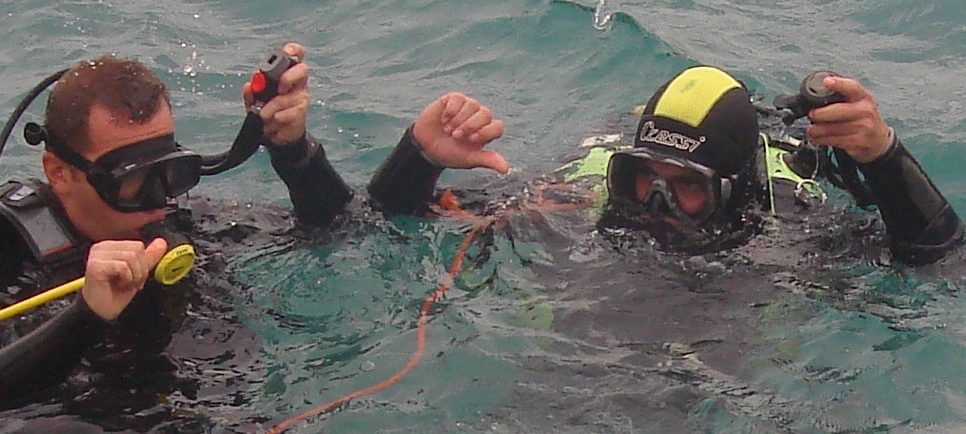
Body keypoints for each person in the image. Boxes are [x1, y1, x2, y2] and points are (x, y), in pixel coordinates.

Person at [0, 44, 355, 414]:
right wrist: (86, 317)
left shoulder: (179, 219)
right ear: (60, 174)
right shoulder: (5, 271)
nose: (159, 198)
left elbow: (340, 230)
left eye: (169, 171)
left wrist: (294, 151)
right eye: (131, 181)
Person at [369, 66, 963, 265]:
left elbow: (940, 260)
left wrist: (884, 157)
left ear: (735, 193)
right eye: (643, 177)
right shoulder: (584, 198)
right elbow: (379, 223)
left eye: (686, 186)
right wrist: (419, 158)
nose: (655, 203)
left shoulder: (790, 230)